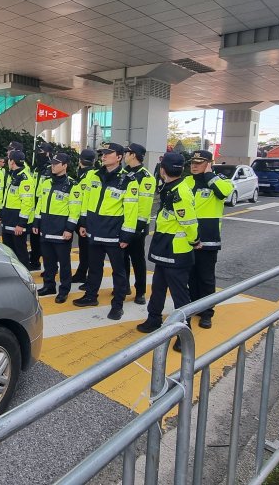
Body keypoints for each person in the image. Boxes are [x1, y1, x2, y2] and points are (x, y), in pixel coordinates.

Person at [136, 152, 199, 352]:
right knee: (158, 287)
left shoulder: (180, 192)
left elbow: (189, 223)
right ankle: (153, 319)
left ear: (163, 170)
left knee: (180, 294)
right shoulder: (171, 187)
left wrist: (194, 241)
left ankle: (183, 332)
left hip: (176, 251)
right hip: (164, 247)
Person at [72, 142, 139, 321]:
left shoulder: (128, 180)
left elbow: (131, 210)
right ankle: (91, 296)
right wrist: (84, 222)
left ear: (119, 157)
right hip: (94, 230)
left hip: (114, 233)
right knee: (94, 267)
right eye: (102, 153)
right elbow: (86, 200)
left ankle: (117, 306)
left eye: (108, 153)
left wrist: (126, 235)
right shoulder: (93, 175)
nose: (103, 156)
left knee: (118, 271)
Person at [184, 149, 234, 329]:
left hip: (208, 239)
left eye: (199, 163)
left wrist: (209, 175)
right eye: (192, 163)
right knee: (190, 276)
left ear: (209, 164)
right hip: (188, 238)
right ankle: (194, 306)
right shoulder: (186, 181)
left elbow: (223, 193)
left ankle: (207, 312)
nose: (194, 166)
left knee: (205, 278)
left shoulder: (220, 181)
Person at [33, 152, 81, 303]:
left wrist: (69, 228)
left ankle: (64, 289)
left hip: (61, 230)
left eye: (56, 163)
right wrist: (36, 222)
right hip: (46, 227)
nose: (53, 166)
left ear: (65, 166)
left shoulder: (73, 185)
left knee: (64, 262)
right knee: (48, 260)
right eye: (52, 163)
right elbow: (40, 204)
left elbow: (75, 210)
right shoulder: (46, 182)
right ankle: (49, 285)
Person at [122, 143, 157, 305]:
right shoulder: (123, 173)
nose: (124, 155)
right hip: (122, 224)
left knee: (137, 260)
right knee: (122, 258)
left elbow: (144, 207)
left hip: (137, 227)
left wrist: (137, 228)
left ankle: (140, 291)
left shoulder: (146, 177)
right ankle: (124, 286)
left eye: (126, 152)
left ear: (134, 155)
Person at [0, 150, 35, 265]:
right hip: (8, 219)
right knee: (9, 250)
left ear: (12, 162)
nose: (7, 162)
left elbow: (27, 203)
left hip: (17, 222)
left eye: (9, 160)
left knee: (20, 251)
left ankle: (24, 276)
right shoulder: (13, 175)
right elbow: (7, 198)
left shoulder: (25, 178)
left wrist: (21, 224)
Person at [72, 148, 97, 283]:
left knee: (88, 250)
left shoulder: (91, 175)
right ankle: (82, 273)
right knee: (84, 249)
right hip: (82, 218)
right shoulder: (84, 174)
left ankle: (86, 276)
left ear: (80, 160)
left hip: (86, 219)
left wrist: (83, 222)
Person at [29, 142, 53, 271]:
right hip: (35, 206)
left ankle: (50, 267)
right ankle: (35, 260)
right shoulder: (36, 169)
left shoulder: (51, 168)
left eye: (42, 152)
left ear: (48, 153)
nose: (39, 155)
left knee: (45, 240)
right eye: (38, 152)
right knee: (34, 237)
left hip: (45, 207)